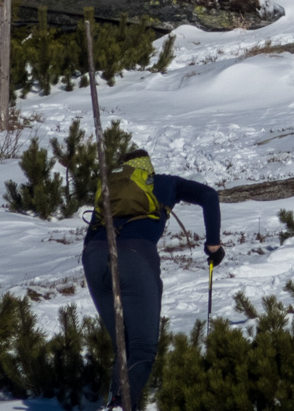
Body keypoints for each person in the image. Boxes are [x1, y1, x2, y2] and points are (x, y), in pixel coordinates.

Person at [83, 148, 223, 408]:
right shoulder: (162, 182)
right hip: (136, 257)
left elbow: (89, 237)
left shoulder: (109, 190)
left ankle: (120, 403)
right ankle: (118, 404)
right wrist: (213, 245)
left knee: (122, 348)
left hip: (93, 260)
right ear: (147, 167)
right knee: (142, 348)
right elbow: (209, 195)